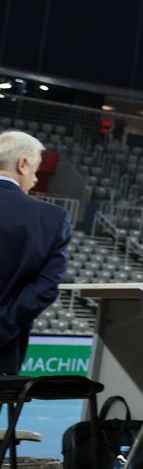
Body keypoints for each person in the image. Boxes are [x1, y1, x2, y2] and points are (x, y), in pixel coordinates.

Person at [0, 131, 70, 375]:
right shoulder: (51, 218)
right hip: (4, 348)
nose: (34, 178)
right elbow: (46, 286)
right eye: (36, 170)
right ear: (23, 164)